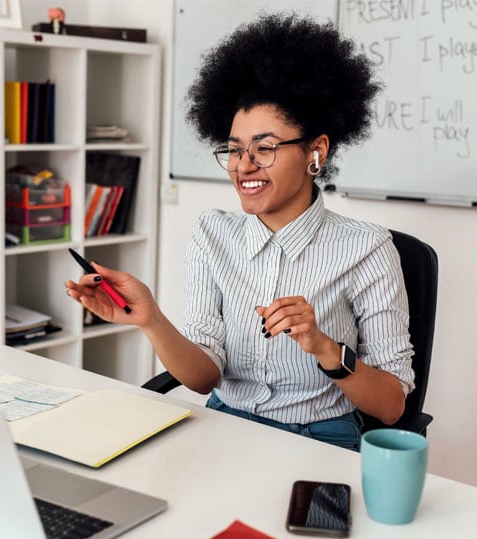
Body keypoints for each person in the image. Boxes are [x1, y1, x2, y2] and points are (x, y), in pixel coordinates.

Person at [66, 13, 414, 451]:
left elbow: (392, 407)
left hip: (321, 439)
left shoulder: (367, 249)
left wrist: (325, 347)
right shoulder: (213, 234)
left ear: (316, 151)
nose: (243, 166)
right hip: (225, 427)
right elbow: (204, 377)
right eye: (233, 150)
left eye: (265, 148)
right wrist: (149, 318)